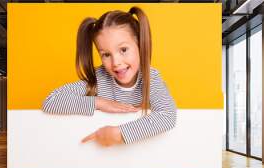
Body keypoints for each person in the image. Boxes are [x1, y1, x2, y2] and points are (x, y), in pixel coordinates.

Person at [42, 6, 176, 147]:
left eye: (123, 50)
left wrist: (118, 134)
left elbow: (167, 116)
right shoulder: (98, 80)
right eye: (106, 54)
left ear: (140, 44)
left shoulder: (151, 78)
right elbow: (51, 100)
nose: (116, 62)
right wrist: (99, 103)